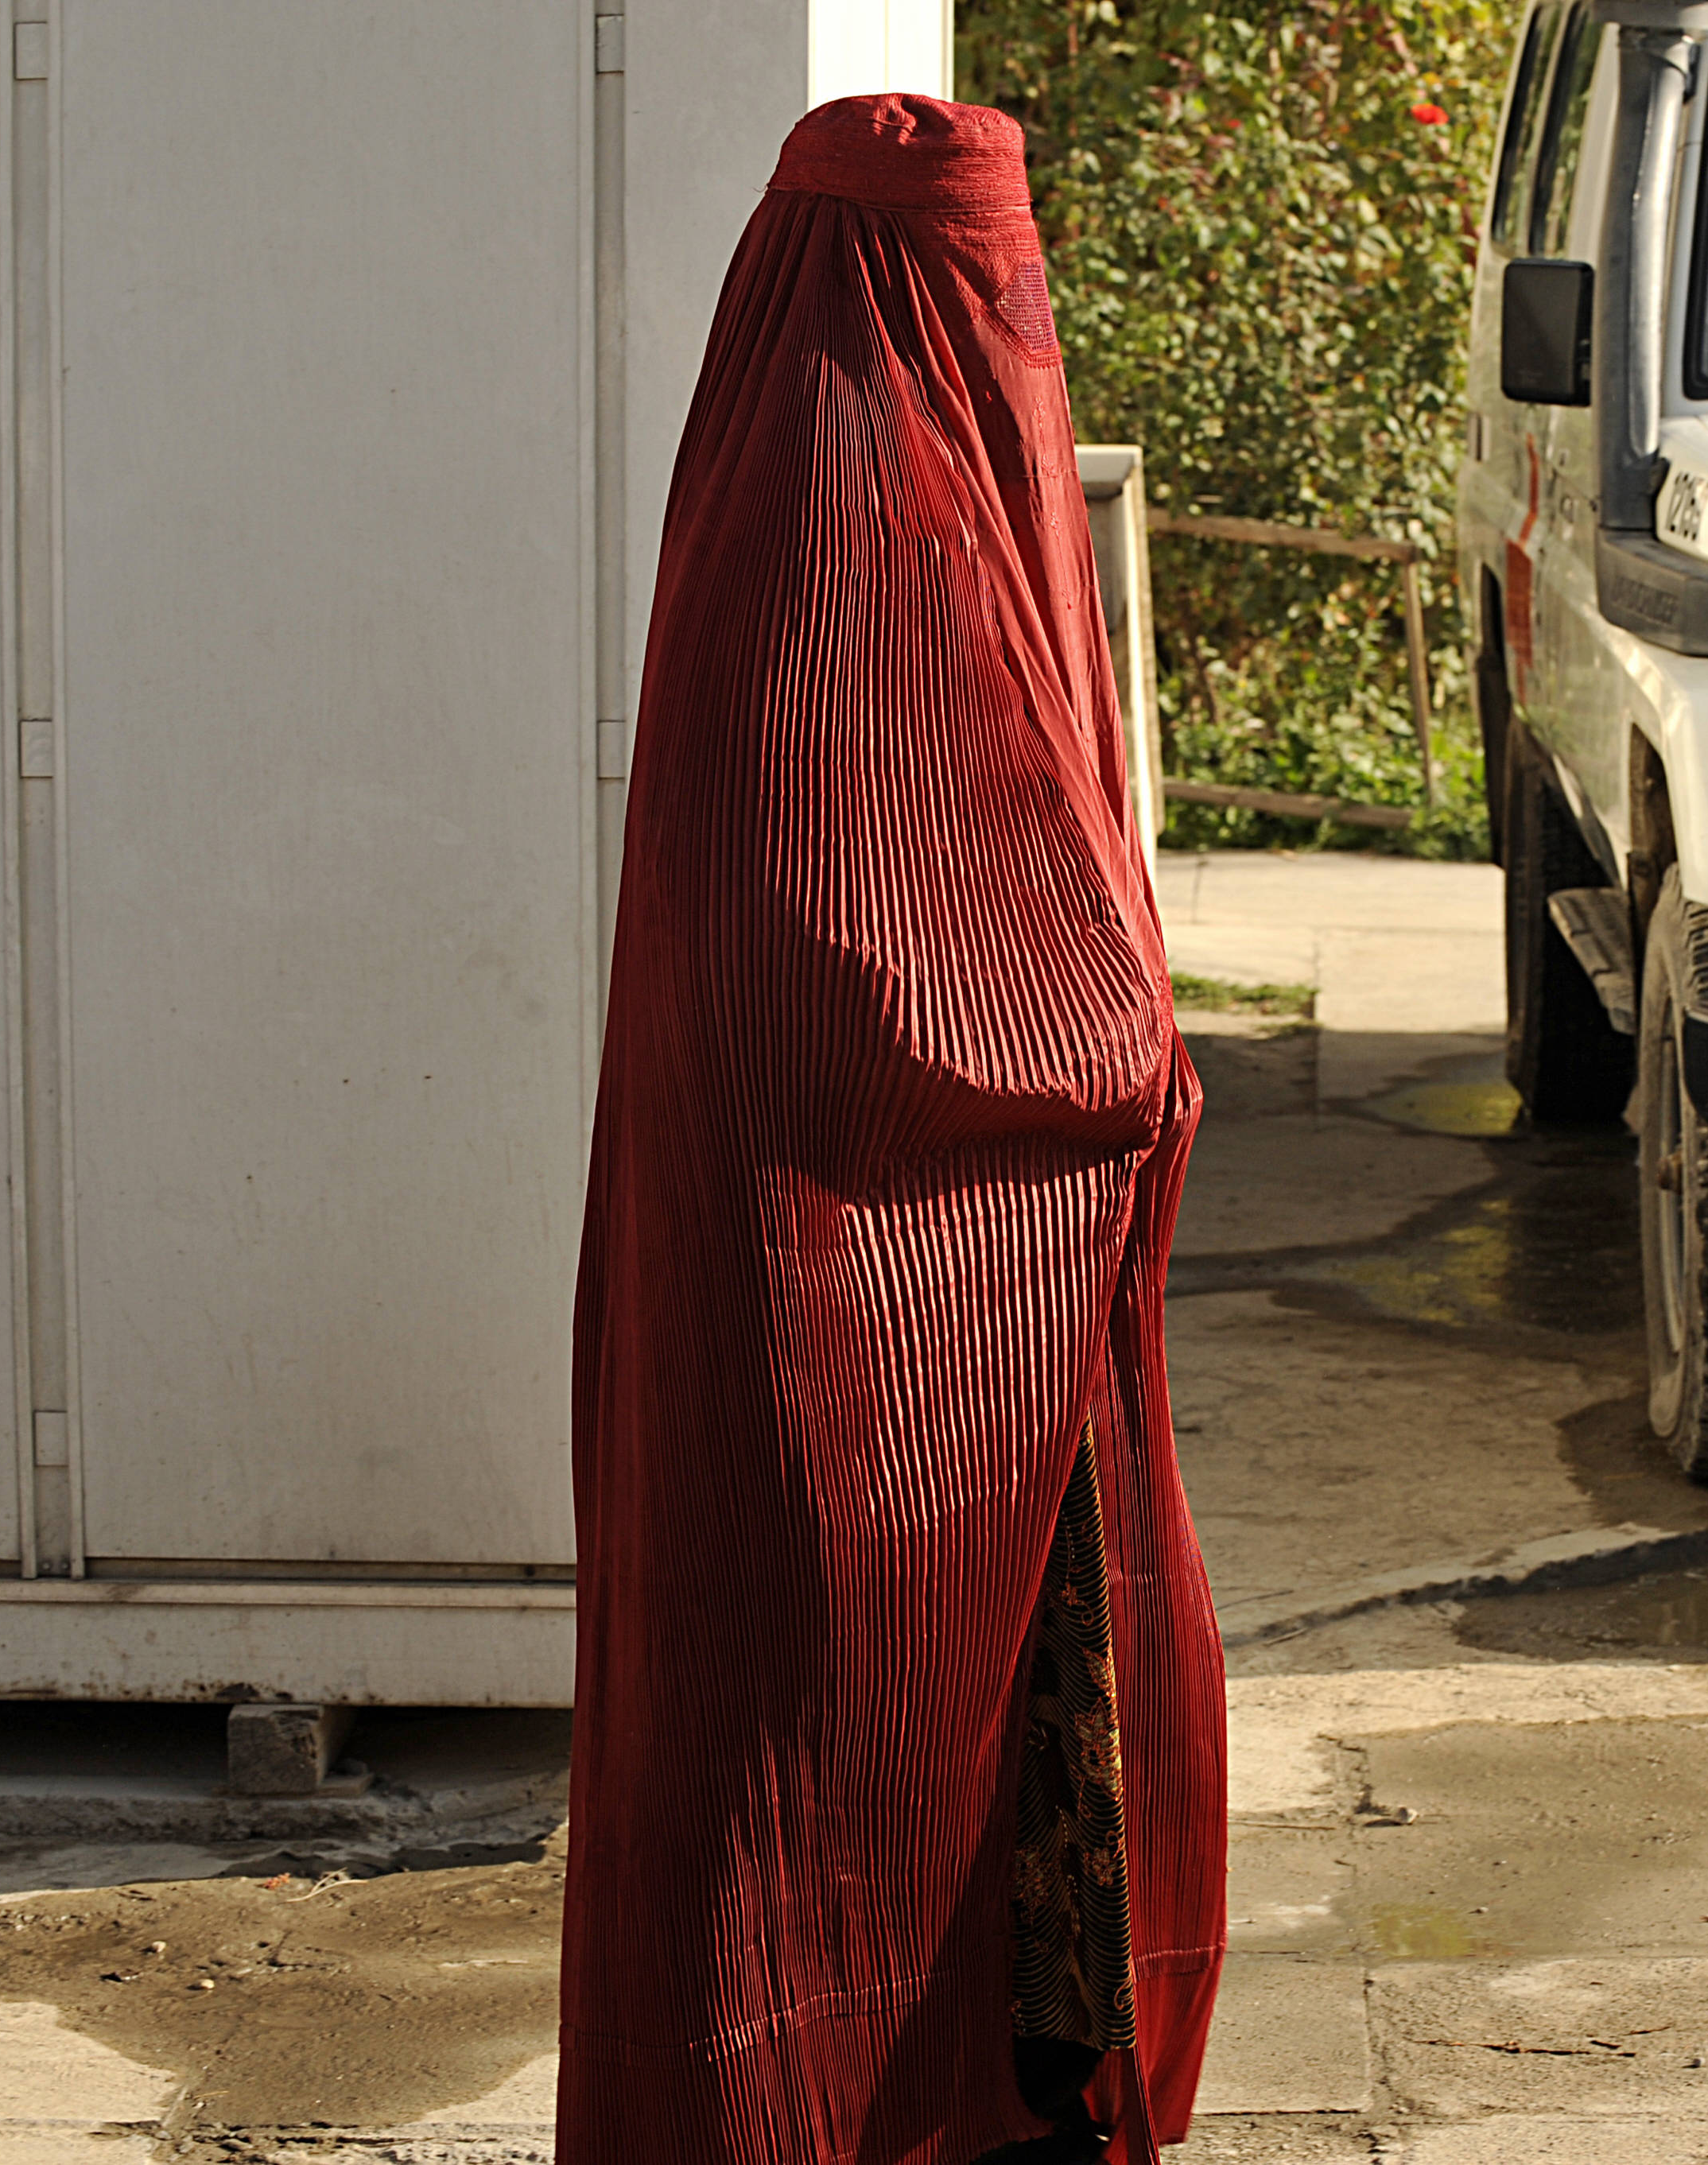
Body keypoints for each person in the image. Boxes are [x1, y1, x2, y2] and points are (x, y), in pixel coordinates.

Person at [557, 94, 1224, 2165]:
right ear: (911, 304)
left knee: (958, 1747)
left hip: (910, 1306)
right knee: (806, 1757)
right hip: (819, 1299)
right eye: (981, 295)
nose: (1010, 331)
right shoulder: (815, 515)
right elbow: (868, 958)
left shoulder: (848, 471)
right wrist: (1123, 1049)